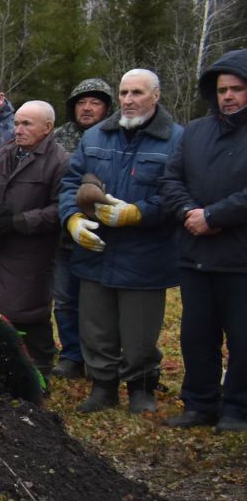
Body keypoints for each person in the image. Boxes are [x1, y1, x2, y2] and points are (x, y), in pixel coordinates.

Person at [59, 68, 183, 414]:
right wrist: (72, 219)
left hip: (145, 254)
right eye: (125, 92)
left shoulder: (175, 140)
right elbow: (70, 183)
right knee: (96, 328)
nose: (129, 100)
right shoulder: (96, 136)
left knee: (139, 332)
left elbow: (176, 194)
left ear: (156, 96)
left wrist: (138, 213)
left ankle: (141, 388)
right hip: (96, 252)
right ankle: (103, 387)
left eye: (138, 93)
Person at [160, 49, 247, 431]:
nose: (228, 96)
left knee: (243, 339)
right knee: (196, 335)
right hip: (195, 252)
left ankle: (237, 409)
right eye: (222, 89)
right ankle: (199, 403)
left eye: (237, 89)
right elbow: (170, 179)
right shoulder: (194, 131)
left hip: (240, 257)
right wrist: (189, 214)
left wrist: (214, 216)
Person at [0, 101, 68, 374]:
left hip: (33, 250)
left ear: (47, 128)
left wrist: (19, 222)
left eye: (27, 124)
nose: (18, 129)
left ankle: (39, 371)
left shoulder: (61, 161)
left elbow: (60, 209)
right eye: (17, 123)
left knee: (30, 311)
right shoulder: (1, 155)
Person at [52, 78, 115, 378]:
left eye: (95, 102)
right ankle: (71, 354)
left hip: (104, 235)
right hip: (63, 233)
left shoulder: (114, 137)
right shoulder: (57, 138)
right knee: (64, 299)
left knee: (99, 303)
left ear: (106, 108)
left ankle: (100, 356)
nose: (87, 108)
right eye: (81, 102)